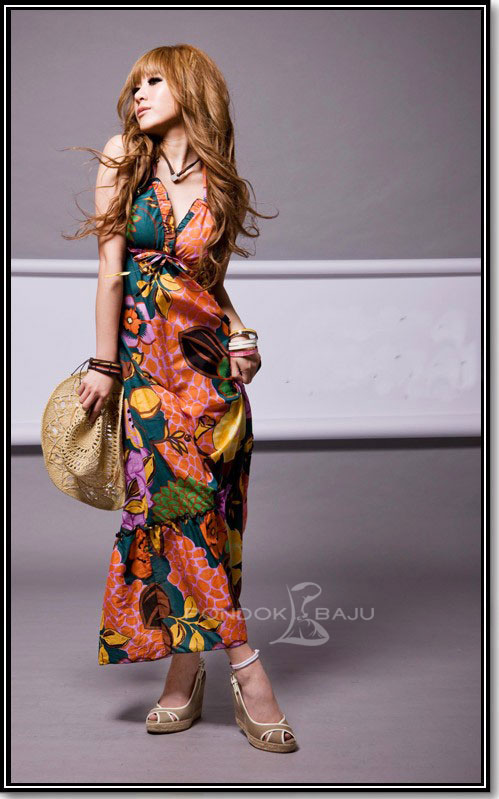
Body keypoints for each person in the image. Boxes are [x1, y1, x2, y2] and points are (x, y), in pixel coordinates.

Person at [64, 45, 297, 753]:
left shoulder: (219, 182)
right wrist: (105, 363)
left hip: (210, 376)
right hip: (144, 375)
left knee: (211, 522)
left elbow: (209, 286)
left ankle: (183, 674)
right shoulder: (122, 158)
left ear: (190, 88)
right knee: (175, 507)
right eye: (135, 84)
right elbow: (111, 269)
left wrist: (243, 335)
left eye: (153, 81)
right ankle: (249, 672)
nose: (137, 93)